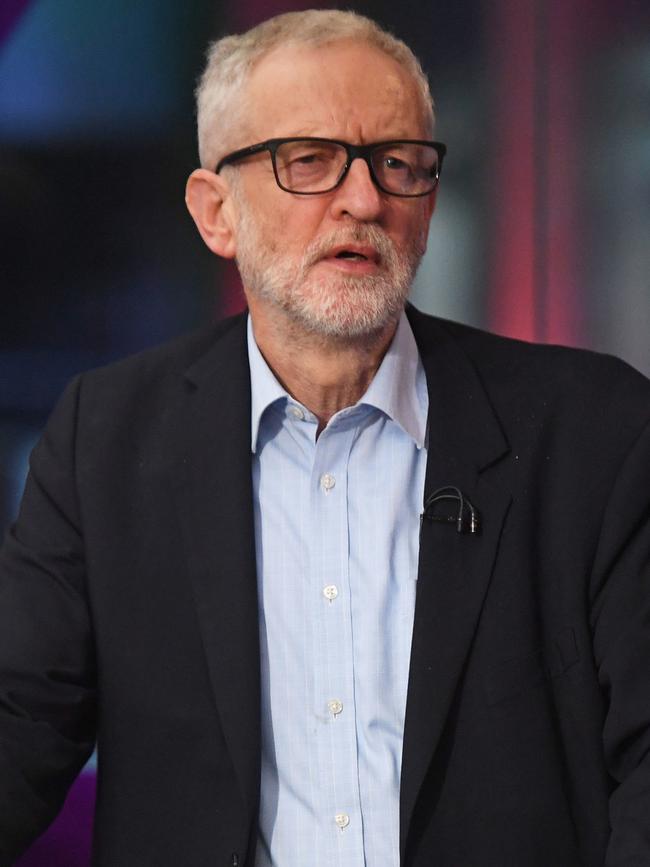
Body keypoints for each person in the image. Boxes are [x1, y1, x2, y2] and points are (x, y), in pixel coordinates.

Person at [1, 9, 650, 867]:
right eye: (308, 161)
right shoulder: (105, 439)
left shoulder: (593, 429)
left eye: (399, 164)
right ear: (215, 212)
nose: (364, 198)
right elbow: (20, 726)